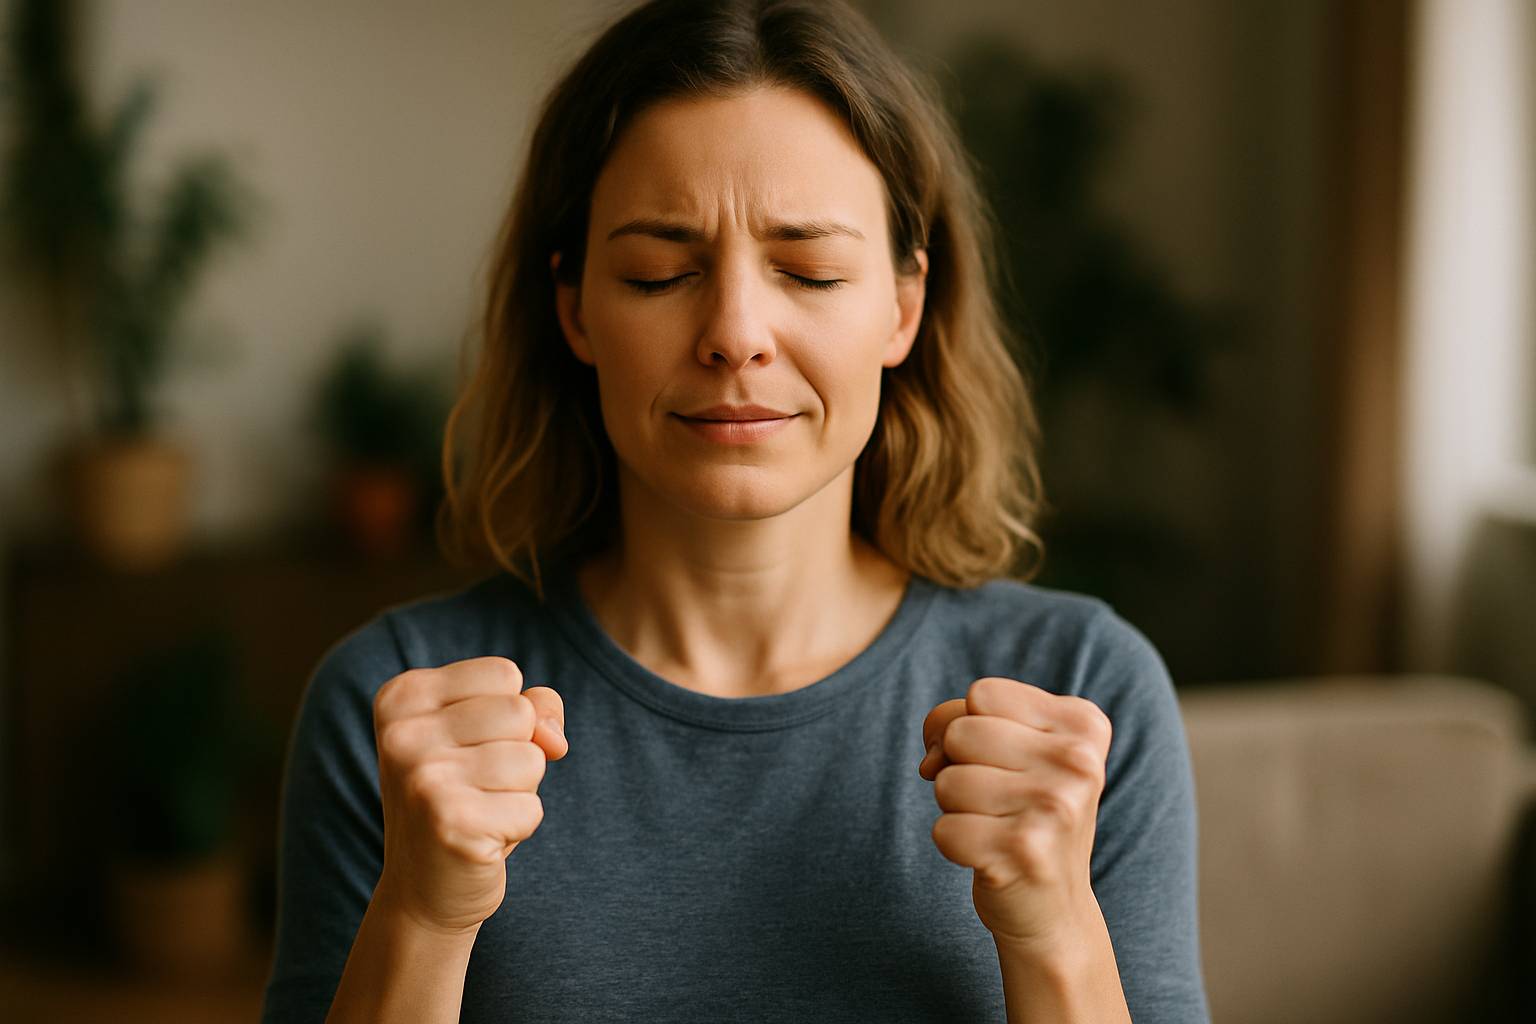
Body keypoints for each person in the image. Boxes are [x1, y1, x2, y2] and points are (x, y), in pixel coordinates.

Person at [260, 1, 1210, 1021]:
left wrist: (1057, 930)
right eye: (660, 272)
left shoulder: (1085, 694)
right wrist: (420, 916)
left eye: (809, 270)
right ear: (576, 306)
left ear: (904, 305)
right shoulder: (398, 712)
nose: (735, 333)